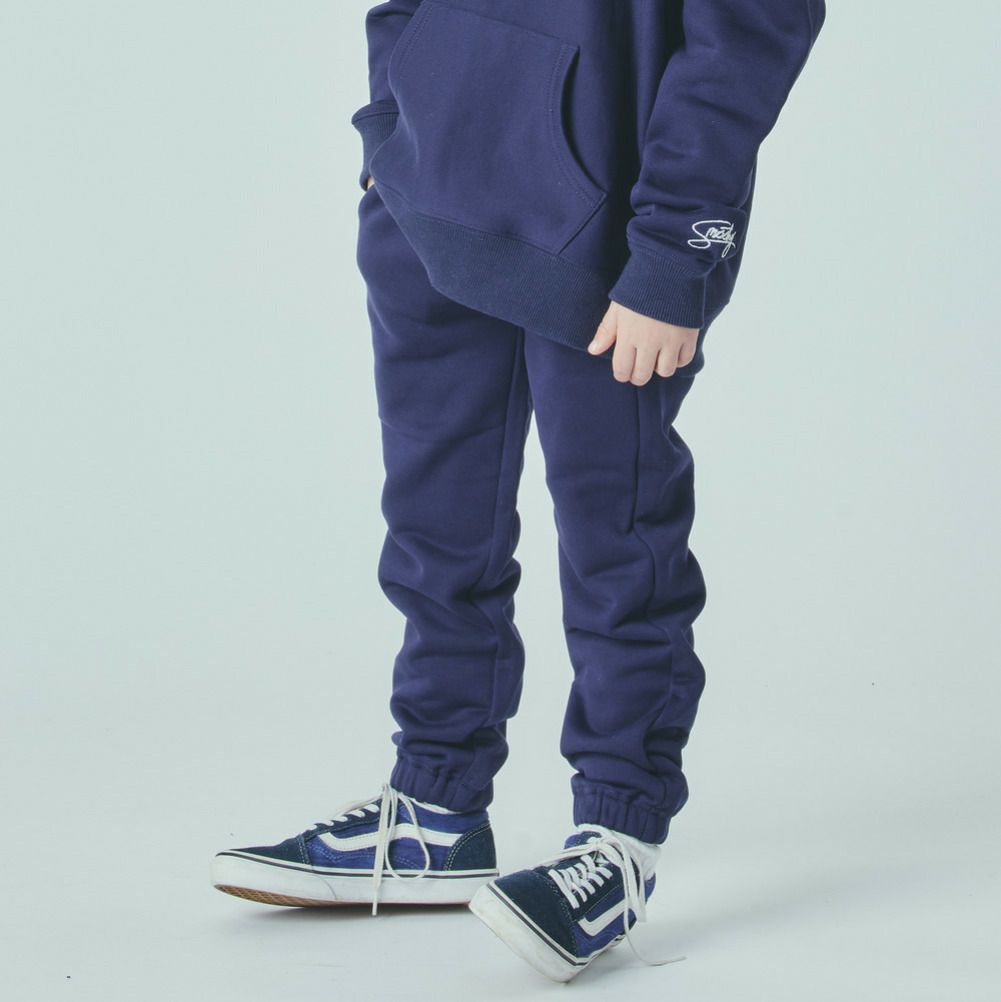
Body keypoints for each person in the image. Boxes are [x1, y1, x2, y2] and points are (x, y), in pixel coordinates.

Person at [211, 0, 827, 983]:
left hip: (612, 242)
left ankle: (618, 836)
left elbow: (751, 30)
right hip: (426, 200)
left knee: (619, 540)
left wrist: (678, 250)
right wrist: (390, 128)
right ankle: (436, 806)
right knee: (435, 527)